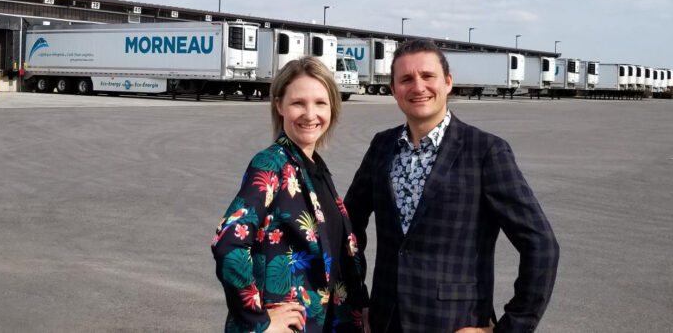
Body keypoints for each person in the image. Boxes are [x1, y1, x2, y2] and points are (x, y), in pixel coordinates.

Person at [344, 39, 559, 333]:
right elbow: (348, 228)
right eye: (406, 79)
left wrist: (511, 328)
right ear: (393, 90)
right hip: (384, 321)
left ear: (447, 82)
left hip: (454, 323)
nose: (418, 87)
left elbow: (541, 245)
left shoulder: (485, 151)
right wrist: (359, 302)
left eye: (427, 76)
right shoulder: (382, 146)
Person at [212, 56, 364, 332]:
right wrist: (259, 322)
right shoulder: (271, 164)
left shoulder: (316, 170)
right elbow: (229, 243)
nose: (310, 114)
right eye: (298, 103)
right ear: (279, 105)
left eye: (320, 102)